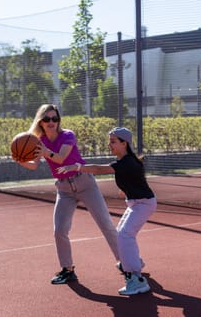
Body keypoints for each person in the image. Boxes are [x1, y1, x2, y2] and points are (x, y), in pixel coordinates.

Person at [17, 104, 120, 285]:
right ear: (41, 121)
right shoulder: (38, 141)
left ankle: (127, 263)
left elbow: (61, 158)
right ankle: (68, 269)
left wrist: (45, 152)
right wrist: (20, 159)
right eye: (47, 119)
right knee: (59, 231)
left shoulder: (67, 135)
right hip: (64, 189)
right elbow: (33, 165)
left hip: (85, 182)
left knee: (106, 224)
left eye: (54, 118)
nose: (51, 122)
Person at [57, 127, 157, 296]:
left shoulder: (126, 162)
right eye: (109, 141)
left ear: (124, 143)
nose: (109, 144)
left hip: (144, 204)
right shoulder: (127, 161)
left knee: (125, 234)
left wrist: (77, 167)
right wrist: (126, 189)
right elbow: (135, 179)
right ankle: (135, 267)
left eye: (113, 141)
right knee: (121, 234)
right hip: (136, 203)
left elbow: (99, 169)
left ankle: (137, 279)